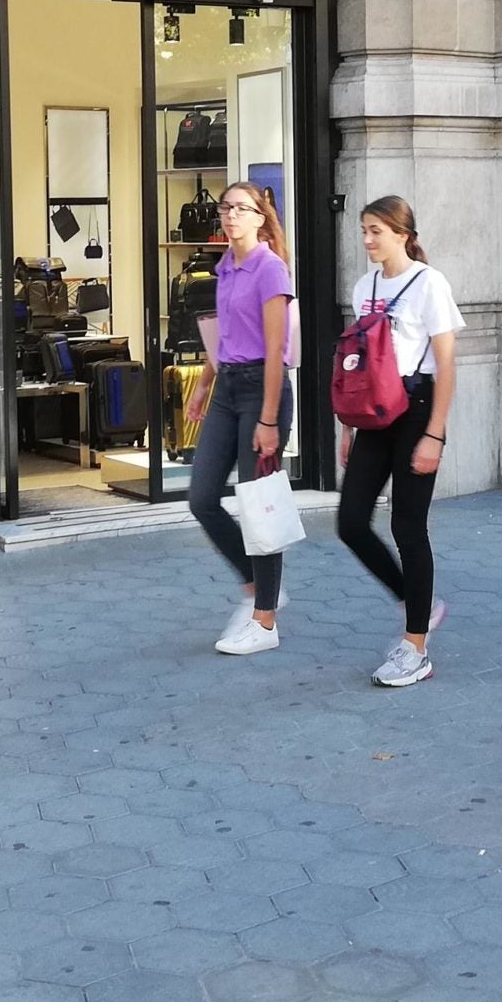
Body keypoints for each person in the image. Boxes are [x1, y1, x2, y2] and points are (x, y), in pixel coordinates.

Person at [335, 196, 465, 688]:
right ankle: (419, 602)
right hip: (373, 414)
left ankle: (416, 648)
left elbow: (447, 364)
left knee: (408, 526)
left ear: (403, 235)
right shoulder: (363, 286)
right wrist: (347, 428)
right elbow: (358, 362)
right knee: (350, 522)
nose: (367, 240)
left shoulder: (430, 285)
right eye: (364, 230)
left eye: (376, 231)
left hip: (417, 411)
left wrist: (434, 433)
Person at [195, 181, 297, 656]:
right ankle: (259, 585)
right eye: (226, 208)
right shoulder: (226, 267)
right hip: (227, 387)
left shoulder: (270, 269)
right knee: (201, 497)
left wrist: (270, 419)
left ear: (260, 217)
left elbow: (276, 350)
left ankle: (266, 621)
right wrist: (201, 385)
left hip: (262, 389)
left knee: (259, 505)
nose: (231, 215)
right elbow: (225, 334)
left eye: (242, 208)